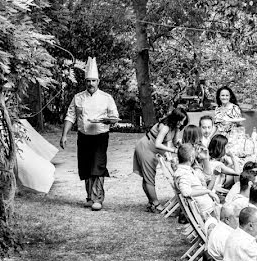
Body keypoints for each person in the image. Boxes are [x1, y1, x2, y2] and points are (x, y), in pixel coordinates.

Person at [59, 73, 119, 211]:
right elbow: (70, 116)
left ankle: (98, 198)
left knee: (97, 165)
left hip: (100, 136)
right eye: (88, 81)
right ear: (85, 82)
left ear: (98, 81)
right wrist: (64, 135)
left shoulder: (106, 98)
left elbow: (115, 117)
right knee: (86, 166)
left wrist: (108, 120)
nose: (91, 84)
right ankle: (90, 197)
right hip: (83, 136)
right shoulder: (78, 97)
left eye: (93, 81)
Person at [132, 107, 189, 212]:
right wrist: (172, 151)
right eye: (180, 120)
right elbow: (158, 144)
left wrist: (182, 147)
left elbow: (175, 141)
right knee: (149, 177)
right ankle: (155, 204)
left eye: (183, 121)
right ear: (174, 118)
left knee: (148, 176)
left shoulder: (176, 127)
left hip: (154, 151)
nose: (181, 123)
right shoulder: (165, 127)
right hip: (146, 148)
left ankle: (151, 203)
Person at [172, 144, 219, 216]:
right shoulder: (183, 173)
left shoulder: (187, 170)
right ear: (191, 158)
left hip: (208, 207)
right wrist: (208, 191)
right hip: (206, 212)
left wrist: (205, 159)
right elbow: (186, 192)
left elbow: (207, 176)